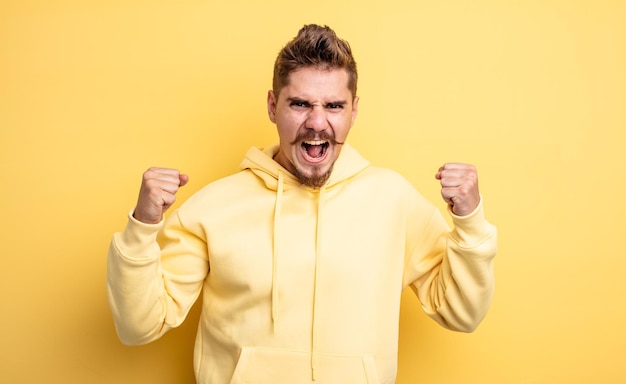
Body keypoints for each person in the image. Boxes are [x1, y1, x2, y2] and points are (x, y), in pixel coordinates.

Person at [107, 24, 497, 384]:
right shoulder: (212, 208)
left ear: (353, 110)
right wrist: (143, 226)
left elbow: (461, 314)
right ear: (273, 106)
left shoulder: (393, 201)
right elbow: (139, 325)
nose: (316, 122)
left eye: (333, 106)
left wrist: (470, 221)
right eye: (300, 105)